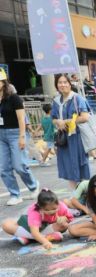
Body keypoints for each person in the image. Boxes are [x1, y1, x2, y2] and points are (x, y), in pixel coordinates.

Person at [0, 69, 38, 205]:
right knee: (3, 168)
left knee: (19, 166)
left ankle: (33, 185)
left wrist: (22, 137)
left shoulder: (14, 97)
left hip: (16, 133)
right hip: (1, 135)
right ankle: (15, 194)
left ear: (4, 82)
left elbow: (22, 119)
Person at [2, 188, 72, 247]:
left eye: (54, 209)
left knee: (64, 225)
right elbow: (35, 232)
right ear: (40, 207)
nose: (51, 212)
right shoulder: (34, 211)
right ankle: (48, 237)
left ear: (58, 204)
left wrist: (64, 218)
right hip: (32, 230)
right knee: (6, 224)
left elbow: (69, 219)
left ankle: (28, 238)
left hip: (48, 228)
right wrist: (45, 242)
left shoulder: (62, 206)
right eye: (47, 210)